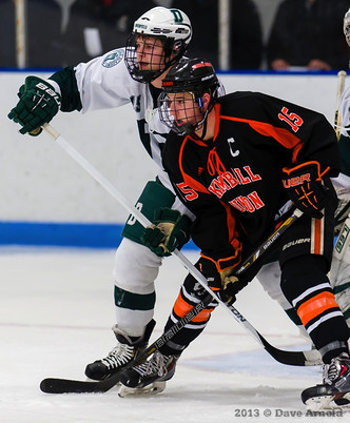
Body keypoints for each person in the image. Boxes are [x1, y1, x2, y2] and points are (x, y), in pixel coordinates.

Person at [119, 58, 350, 408]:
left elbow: (313, 130)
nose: (175, 110)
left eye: (183, 99)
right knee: (203, 281)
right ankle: (163, 357)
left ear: (208, 97)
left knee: (299, 277)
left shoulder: (248, 110)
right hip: (249, 224)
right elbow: (212, 212)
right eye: (171, 101)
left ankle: (340, 362)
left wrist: (309, 174)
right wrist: (223, 261)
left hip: (300, 205)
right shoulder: (179, 154)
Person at [7, 6, 196, 384]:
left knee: (270, 269)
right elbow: (80, 81)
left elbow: (208, 163)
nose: (140, 53)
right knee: (132, 257)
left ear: (175, 50)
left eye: (151, 46)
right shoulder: (137, 69)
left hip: (217, 183)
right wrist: (49, 92)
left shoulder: (193, 88)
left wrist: (188, 215)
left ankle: (333, 347)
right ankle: (132, 344)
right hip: (172, 180)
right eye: (138, 43)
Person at [172, 0, 263, 69]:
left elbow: (251, 50)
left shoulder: (240, 6)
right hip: (187, 71)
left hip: (229, 71)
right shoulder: (181, 4)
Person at [267, 0, 350, 71]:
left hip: (332, 75)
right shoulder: (287, 7)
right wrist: (276, 60)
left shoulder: (342, 6)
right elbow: (274, 43)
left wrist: (331, 65)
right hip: (289, 73)